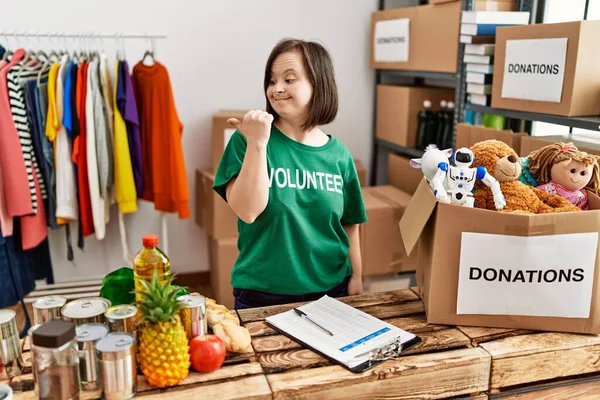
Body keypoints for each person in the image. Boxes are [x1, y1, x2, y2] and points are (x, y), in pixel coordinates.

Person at [213, 38, 368, 310]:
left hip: (332, 291)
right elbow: (248, 211)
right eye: (271, 81)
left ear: (319, 85)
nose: (277, 89)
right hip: (262, 295)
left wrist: (357, 277)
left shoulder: (339, 155)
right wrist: (258, 143)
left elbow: (350, 224)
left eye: (289, 79)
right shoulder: (246, 141)